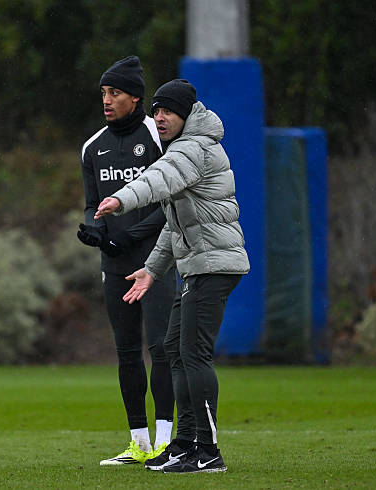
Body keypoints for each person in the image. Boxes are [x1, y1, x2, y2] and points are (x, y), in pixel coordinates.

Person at [95, 79, 250, 474]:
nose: (160, 118)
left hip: (213, 266)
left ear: (185, 114)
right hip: (200, 266)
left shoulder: (193, 149)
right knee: (175, 351)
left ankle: (208, 450)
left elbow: (156, 179)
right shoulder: (184, 147)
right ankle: (185, 444)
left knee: (193, 354)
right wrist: (152, 270)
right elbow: (173, 226)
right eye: (157, 111)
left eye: (168, 111)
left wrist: (121, 198)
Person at [78, 55, 177, 466]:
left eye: (115, 92)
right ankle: (139, 443)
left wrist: (131, 235)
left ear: (135, 97)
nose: (106, 99)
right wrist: (95, 229)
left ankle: (168, 443)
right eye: (103, 92)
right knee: (127, 351)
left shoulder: (158, 135)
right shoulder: (92, 147)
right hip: (115, 261)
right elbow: (92, 204)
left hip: (156, 260)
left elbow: (171, 200)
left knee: (162, 347)